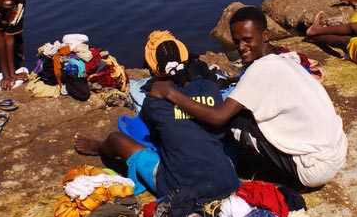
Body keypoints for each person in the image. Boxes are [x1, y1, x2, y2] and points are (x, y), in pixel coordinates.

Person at [147, 7, 347, 189]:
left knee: (233, 123)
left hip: (314, 168)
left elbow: (218, 117)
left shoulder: (261, 69)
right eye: (236, 42)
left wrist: (169, 93)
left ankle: (258, 171)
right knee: (244, 115)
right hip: (336, 151)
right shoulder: (283, 61)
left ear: (265, 36)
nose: (241, 47)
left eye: (247, 40)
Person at [74, 31, 239, 203]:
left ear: (155, 70)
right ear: (186, 58)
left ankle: (99, 147)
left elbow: (150, 138)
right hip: (225, 181)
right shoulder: (209, 87)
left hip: (181, 188)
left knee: (117, 139)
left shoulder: (153, 102)